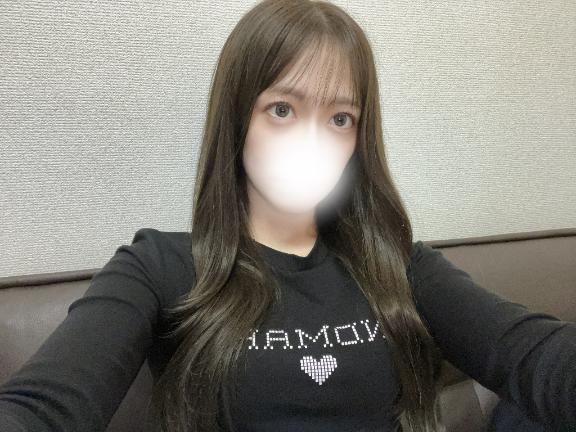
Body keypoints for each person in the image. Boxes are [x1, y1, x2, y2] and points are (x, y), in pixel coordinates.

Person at [1, 1, 574, 431]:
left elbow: (532, 355)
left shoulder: (399, 265)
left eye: (340, 119)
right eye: (282, 109)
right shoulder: (158, 266)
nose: (312, 143)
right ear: (238, 120)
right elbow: (45, 406)